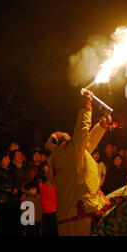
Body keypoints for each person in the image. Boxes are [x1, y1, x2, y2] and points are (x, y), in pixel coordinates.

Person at [45, 90, 111, 236]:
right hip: (77, 211)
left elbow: (87, 144)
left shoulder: (66, 155)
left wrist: (101, 126)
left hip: (68, 213)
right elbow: (82, 131)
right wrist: (87, 107)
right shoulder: (68, 152)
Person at [0, 152, 20, 236]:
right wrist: (8, 190)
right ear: (0, 160)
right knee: (2, 224)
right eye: (5, 158)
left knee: (10, 223)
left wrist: (16, 188)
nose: (8, 160)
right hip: (2, 201)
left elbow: (17, 182)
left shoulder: (11, 171)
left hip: (12, 201)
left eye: (8, 159)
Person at [38, 161, 58, 236]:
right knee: (46, 229)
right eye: (46, 166)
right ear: (42, 167)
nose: (48, 167)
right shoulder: (39, 179)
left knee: (54, 228)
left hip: (54, 206)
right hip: (45, 207)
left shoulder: (56, 177)